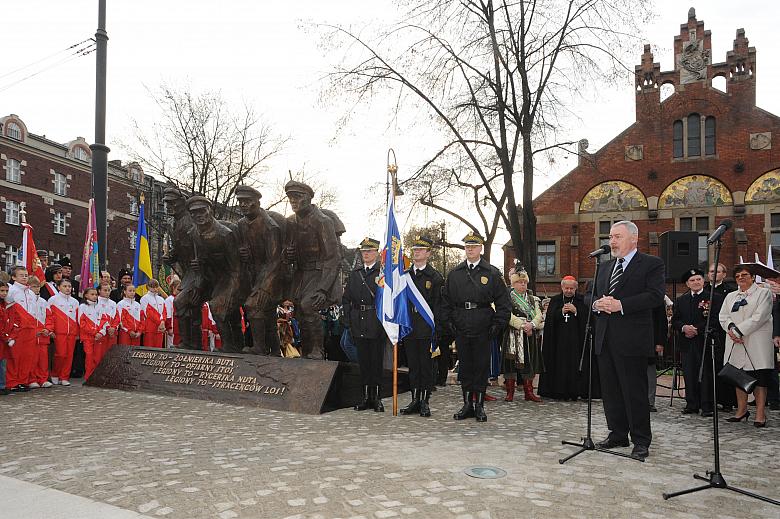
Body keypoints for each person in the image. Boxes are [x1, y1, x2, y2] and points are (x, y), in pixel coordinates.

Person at [591, 220, 665, 460]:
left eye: (617, 237)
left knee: (634, 392)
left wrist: (621, 305)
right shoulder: (603, 267)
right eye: (611, 237)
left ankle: (641, 440)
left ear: (634, 239)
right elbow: (587, 295)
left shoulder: (651, 265)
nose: (612, 241)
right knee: (611, 392)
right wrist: (595, 304)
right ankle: (617, 433)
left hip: (632, 340)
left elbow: (654, 296)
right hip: (605, 338)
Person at [441, 232, 511, 423]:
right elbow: (445, 302)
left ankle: (479, 405)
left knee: (480, 367)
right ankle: (466, 404)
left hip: (483, 325)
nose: (470, 249)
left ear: (481, 248)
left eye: (474, 246)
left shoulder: (491, 273)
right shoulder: (455, 274)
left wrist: (498, 324)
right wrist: (448, 323)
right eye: (467, 246)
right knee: (465, 366)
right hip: (461, 324)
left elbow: (504, 303)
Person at [283, 180, 343, 359]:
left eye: (297, 197)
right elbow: (285, 255)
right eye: (290, 198)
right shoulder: (290, 222)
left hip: (319, 273)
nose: (293, 201)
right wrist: (288, 254)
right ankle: (307, 351)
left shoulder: (322, 221)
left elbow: (333, 257)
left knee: (308, 306)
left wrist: (323, 288)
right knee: (300, 311)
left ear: (308, 198)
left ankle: (318, 350)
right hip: (301, 275)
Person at [719, 265, 774, 427]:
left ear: (752, 277)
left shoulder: (764, 293)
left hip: (756, 341)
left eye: (745, 275)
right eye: (737, 276)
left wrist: (739, 331)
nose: (741, 278)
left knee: (759, 378)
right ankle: (742, 410)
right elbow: (723, 316)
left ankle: (760, 413)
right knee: (739, 377)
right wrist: (730, 328)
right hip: (735, 342)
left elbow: (760, 316)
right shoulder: (730, 296)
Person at [234, 185, 283, 356]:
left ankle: (259, 348)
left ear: (257, 202)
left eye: (247, 201)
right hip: (252, 276)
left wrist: (264, 288)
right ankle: (276, 351)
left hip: (270, 278)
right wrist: (243, 254)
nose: (243, 205)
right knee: (268, 317)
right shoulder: (241, 224)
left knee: (254, 306)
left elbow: (275, 261)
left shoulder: (270, 226)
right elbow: (242, 253)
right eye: (240, 201)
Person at [399, 236, 443, 417]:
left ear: (428, 253)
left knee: (425, 367)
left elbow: (439, 306)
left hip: (426, 328)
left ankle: (424, 401)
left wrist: (437, 330)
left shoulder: (435, 277)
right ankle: (414, 399)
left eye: (421, 249)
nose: (416, 252)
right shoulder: (406, 276)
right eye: (415, 249)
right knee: (413, 367)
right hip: (410, 328)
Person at [672, 268, 724, 417]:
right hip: (687, 343)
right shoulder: (681, 300)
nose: (696, 282)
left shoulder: (714, 297)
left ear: (703, 280)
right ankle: (691, 404)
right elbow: (675, 320)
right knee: (689, 373)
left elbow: (714, 319)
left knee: (706, 373)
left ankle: (707, 405)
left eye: (698, 279)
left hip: (705, 341)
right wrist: (684, 328)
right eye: (692, 280)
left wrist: (696, 329)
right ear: (687, 284)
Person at [343, 237, 386, 412]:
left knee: (376, 363)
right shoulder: (355, 274)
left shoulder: (382, 274)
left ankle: (376, 397)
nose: (366, 254)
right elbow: (346, 299)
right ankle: (365, 396)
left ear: (376, 253)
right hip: (358, 322)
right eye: (364, 251)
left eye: (369, 251)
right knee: (363, 363)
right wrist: (348, 320)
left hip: (375, 323)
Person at [538, 275, 587, 401]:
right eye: (566, 288)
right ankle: (557, 391)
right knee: (559, 365)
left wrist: (576, 311)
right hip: (558, 342)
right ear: (562, 287)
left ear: (576, 288)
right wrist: (560, 312)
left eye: (571, 288)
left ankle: (575, 391)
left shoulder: (582, 300)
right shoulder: (555, 300)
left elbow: (588, 320)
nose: (569, 291)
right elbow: (549, 320)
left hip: (576, 342)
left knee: (574, 366)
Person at [502, 269, 544, 402]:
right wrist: (521, 325)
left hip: (529, 334)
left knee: (529, 362)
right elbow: (506, 314)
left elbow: (538, 315)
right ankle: (510, 392)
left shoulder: (533, 299)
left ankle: (529, 392)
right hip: (511, 334)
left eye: (525, 282)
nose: (523, 285)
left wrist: (531, 325)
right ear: (513, 284)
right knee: (510, 363)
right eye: (519, 282)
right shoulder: (506, 298)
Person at [6, 266, 36, 392]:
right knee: (14, 356)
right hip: (17, 329)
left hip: (30, 328)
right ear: (13, 277)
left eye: (26, 275)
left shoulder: (31, 292)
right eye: (21, 275)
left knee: (27, 356)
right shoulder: (11, 291)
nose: (25, 277)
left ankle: (23, 380)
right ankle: (12, 381)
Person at [46, 278, 79, 386]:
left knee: (69, 355)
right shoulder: (53, 300)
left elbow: (78, 318)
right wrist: (51, 330)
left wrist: (77, 333)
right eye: (65, 286)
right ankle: (55, 374)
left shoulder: (75, 302)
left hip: (72, 333)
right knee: (60, 354)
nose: (68, 288)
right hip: (59, 332)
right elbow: (49, 316)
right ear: (59, 287)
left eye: (69, 286)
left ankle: (64, 376)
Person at [27, 276, 53, 389]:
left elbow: (50, 317)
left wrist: (48, 329)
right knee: (32, 359)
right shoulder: (27, 301)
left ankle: (43, 379)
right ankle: (32, 379)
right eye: (34, 286)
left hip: (43, 336)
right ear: (28, 287)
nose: (37, 289)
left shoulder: (44, 302)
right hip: (32, 335)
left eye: (38, 286)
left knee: (43, 359)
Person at [647, 297, 672, 412]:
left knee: (649, 372)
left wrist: (660, 342)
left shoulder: (655, 298)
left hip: (650, 341)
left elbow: (662, 321)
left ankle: (649, 401)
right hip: (633, 341)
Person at [78, 287, 105, 380]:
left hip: (98, 337)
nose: (94, 296)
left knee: (97, 357)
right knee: (89, 357)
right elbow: (82, 323)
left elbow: (104, 321)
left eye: (96, 294)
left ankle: (96, 376)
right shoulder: (82, 307)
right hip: (87, 337)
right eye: (92, 294)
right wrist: (94, 332)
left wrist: (101, 332)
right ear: (86, 295)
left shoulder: (100, 306)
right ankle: (88, 376)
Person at [139, 279, 167, 348]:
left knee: (159, 349)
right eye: (152, 287)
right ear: (148, 287)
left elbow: (164, 312)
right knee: (149, 350)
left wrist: (163, 321)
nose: (154, 288)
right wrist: (159, 322)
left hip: (160, 328)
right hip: (149, 329)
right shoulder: (144, 298)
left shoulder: (161, 299)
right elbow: (148, 313)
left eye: (156, 286)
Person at [96, 283, 117, 363]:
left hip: (112, 333)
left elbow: (116, 317)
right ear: (99, 291)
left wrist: (114, 327)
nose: (107, 292)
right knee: (99, 355)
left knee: (111, 355)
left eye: (109, 290)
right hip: (101, 332)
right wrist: (108, 328)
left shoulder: (113, 303)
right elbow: (99, 317)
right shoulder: (96, 301)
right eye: (105, 290)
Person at [165, 277, 180, 348]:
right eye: (178, 288)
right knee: (172, 346)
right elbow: (168, 315)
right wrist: (169, 328)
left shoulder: (181, 299)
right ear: (173, 287)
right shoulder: (169, 300)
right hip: (173, 327)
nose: (180, 290)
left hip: (180, 328)